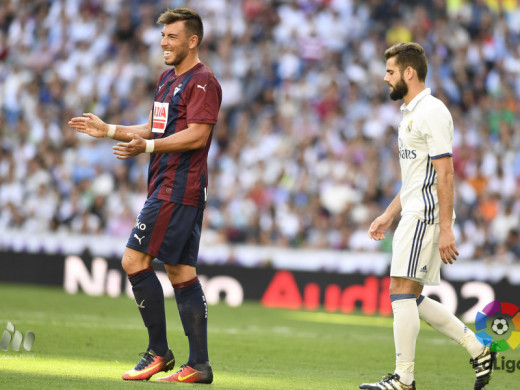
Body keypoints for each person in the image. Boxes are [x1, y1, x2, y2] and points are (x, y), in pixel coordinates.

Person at [69, 8, 222, 384]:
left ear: (192, 40)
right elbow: (156, 128)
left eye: (172, 36)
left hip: (177, 186)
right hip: (169, 184)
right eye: (163, 36)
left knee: (134, 260)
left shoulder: (203, 82)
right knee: (180, 271)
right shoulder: (167, 78)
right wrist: (110, 131)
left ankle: (158, 352)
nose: (163, 42)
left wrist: (149, 149)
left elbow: (198, 135)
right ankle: (199, 366)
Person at [359, 42, 495, 390]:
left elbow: (445, 173)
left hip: (425, 216)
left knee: (400, 291)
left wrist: (446, 228)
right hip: (412, 212)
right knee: (410, 296)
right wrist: (389, 214)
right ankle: (478, 348)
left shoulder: (432, 112)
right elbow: (415, 178)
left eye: (390, 71)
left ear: (409, 72)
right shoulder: (409, 115)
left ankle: (404, 379)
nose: (385, 78)